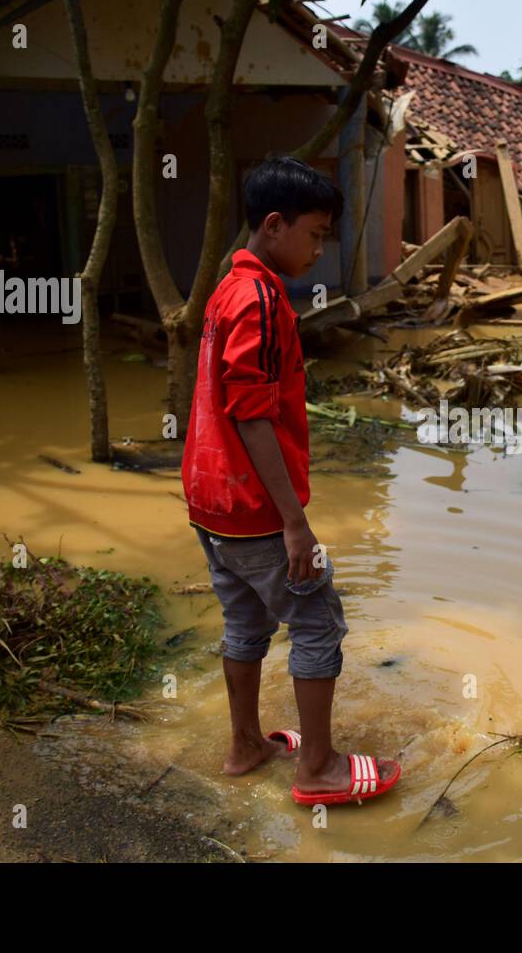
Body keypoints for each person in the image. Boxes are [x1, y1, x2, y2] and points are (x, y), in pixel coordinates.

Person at [181, 156, 400, 806]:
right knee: (318, 621)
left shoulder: (228, 287)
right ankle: (320, 768)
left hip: (209, 498)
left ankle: (246, 744)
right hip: (251, 505)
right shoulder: (258, 298)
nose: (320, 246)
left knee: (245, 619)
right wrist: (294, 522)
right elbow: (250, 412)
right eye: (315, 232)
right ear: (274, 225)